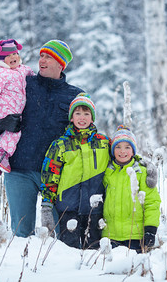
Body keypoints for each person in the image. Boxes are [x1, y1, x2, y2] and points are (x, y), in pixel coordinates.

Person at [0, 40, 84, 237]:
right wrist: (3, 123)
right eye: (41, 55)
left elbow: (85, 134)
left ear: (60, 63)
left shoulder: (75, 96)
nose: (42, 60)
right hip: (19, 171)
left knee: (62, 235)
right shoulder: (22, 83)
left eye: (48, 56)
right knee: (22, 234)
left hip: (57, 174)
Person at [40, 93, 110, 249]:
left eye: (86, 114)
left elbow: (122, 157)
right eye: (77, 113)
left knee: (93, 250)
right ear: (71, 118)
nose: (82, 117)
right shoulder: (60, 145)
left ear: (92, 118)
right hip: (68, 208)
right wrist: (47, 204)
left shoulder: (104, 143)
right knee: (69, 251)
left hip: (95, 207)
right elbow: (49, 176)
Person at [102, 125, 161, 253]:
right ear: (112, 151)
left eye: (127, 147)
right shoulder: (107, 173)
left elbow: (152, 202)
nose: (122, 151)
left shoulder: (141, 173)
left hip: (135, 236)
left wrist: (150, 229)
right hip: (110, 236)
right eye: (118, 147)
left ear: (133, 151)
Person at [0, 39, 35, 176]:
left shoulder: (22, 69)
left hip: (14, 108)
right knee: (14, 132)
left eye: (15, 54)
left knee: (3, 136)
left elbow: (32, 75)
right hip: (4, 109)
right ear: (1, 59)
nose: (13, 58)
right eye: (9, 56)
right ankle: (3, 154)